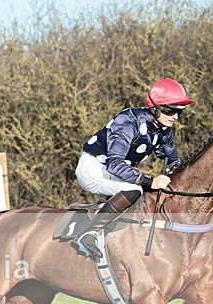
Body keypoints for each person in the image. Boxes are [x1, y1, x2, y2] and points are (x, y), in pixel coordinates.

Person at [71, 78, 193, 260]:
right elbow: (114, 164)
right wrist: (150, 181)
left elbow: (173, 163)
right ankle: (89, 234)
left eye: (179, 112)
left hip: (114, 173)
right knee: (136, 189)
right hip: (94, 168)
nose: (175, 116)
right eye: (170, 111)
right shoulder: (128, 121)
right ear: (155, 108)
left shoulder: (164, 131)